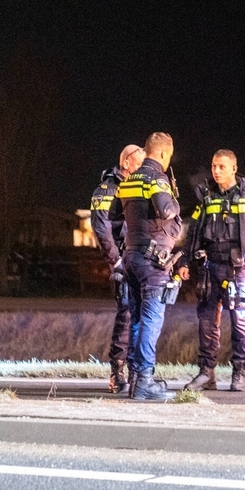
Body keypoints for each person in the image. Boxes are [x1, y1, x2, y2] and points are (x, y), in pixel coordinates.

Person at [180, 149, 245, 392]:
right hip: (210, 266)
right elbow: (193, 231)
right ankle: (206, 373)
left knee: (240, 320)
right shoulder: (206, 195)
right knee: (206, 321)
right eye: (214, 166)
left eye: (222, 167)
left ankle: (239, 372)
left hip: (240, 269)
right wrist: (184, 260)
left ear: (234, 168)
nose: (216, 171)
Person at [109, 132, 184, 401]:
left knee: (139, 319)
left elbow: (112, 214)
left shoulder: (128, 180)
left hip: (130, 258)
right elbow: (166, 210)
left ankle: (137, 377)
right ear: (163, 154)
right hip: (153, 261)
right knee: (152, 319)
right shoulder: (158, 179)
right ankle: (144, 381)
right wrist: (175, 202)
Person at [89, 143, 144, 393]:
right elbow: (101, 229)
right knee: (126, 314)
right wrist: (116, 261)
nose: (144, 168)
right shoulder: (107, 189)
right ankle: (117, 373)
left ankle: (138, 371)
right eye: (139, 163)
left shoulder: (140, 187)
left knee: (143, 315)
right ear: (126, 163)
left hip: (139, 258)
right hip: (123, 259)